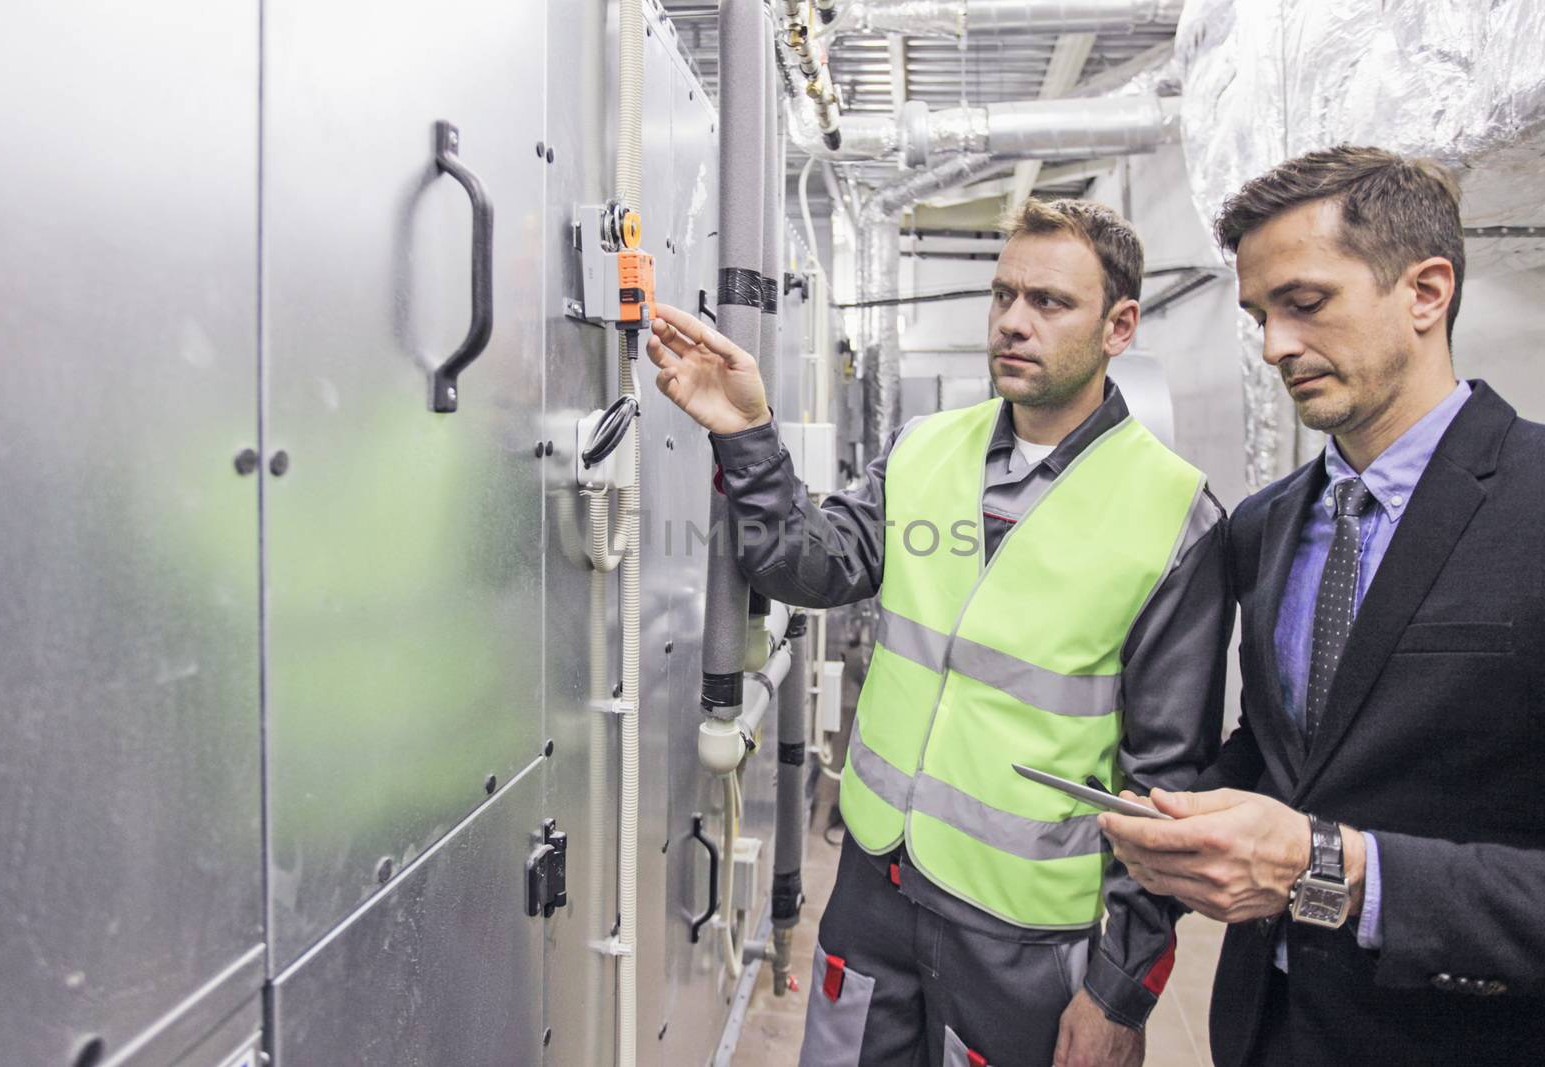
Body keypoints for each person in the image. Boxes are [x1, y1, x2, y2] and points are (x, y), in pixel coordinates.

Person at [646, 198, 1231, 1067]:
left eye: (1049, 302)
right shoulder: (926, 448)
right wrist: (748, 434)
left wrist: (1118, 990)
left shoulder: (1174, 512)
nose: (1013, 322)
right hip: (875, 888)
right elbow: (808, 565)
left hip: (1020, 934)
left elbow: (1164, 784)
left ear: (1121, 326)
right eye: (1003, 296)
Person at [1098, 146, 1545, 1065]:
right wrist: (1174, 819)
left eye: (1305, 304)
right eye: (1260, 315)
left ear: (1425, 292)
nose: (1273, 347)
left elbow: (1317, 837)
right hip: (1271, 1026)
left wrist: (1338, 871)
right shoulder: (1263, 528)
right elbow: (1287, 755)